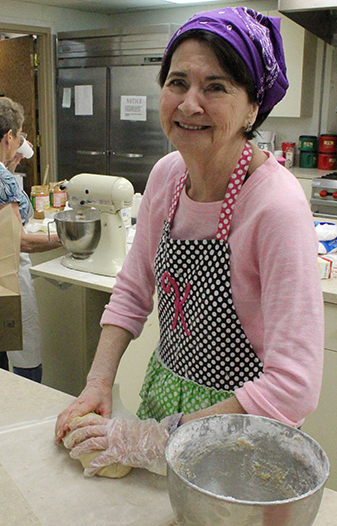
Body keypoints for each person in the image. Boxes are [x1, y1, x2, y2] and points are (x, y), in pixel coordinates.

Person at [55, 7, 324, 477]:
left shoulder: (274, 206)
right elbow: (133, 291)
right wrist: (97, 383)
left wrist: (158, 441)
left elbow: (293, 387)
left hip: (242, 435)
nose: (189, 103)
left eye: (216, 87)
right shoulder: (167, 176)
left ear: (253, 107)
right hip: (166, 406)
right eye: (177, 82)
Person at [0, 97, 61, 383]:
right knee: (26, 353)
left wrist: (10, 164)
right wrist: (65, 239)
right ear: (9, 136)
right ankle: (28, 413)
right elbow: (21, 241)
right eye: (19, 135)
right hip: (10, 275)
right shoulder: (1, 179)